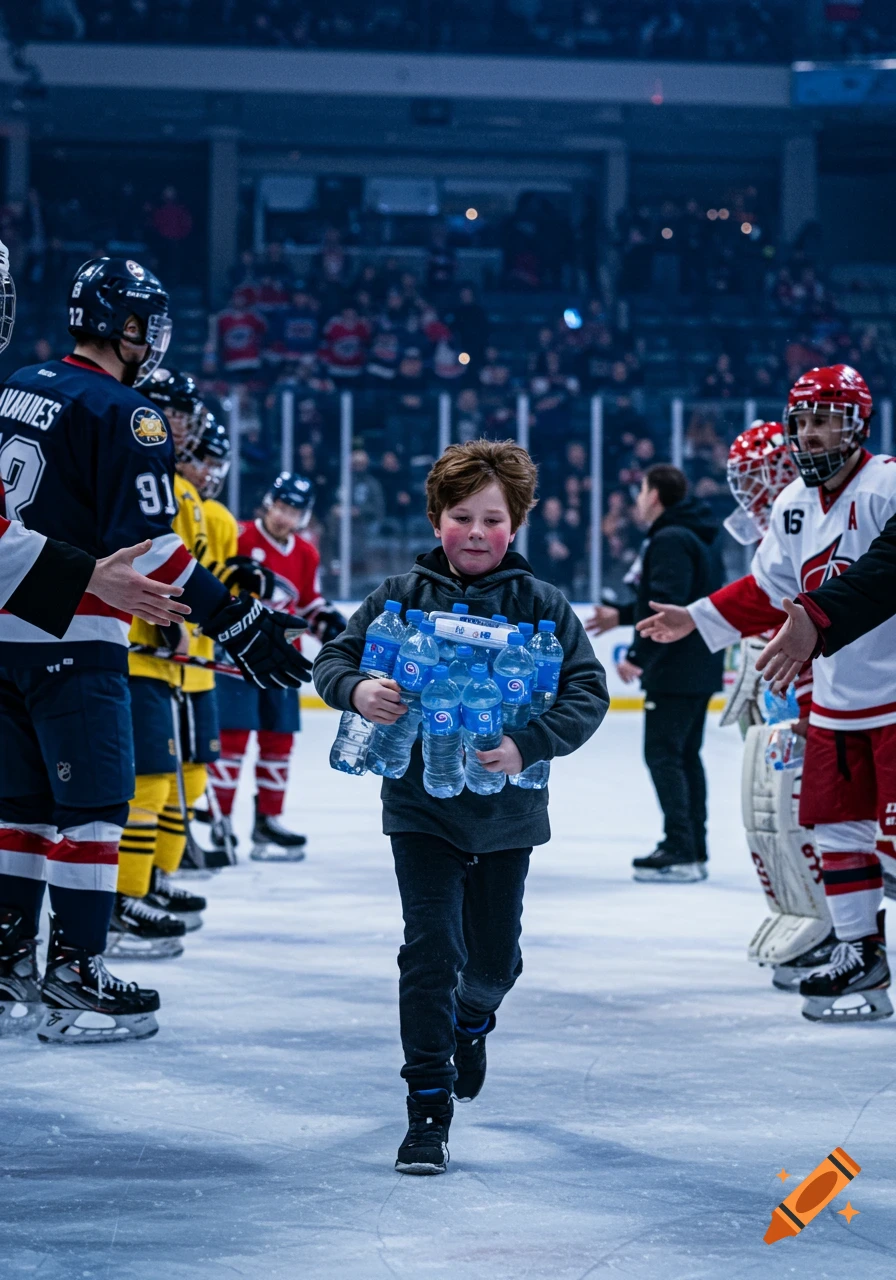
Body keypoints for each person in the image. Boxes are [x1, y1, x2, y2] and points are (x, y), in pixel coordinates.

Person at [0, 256, 312, 1045]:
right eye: (149, 322)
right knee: (97, 808)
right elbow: (151, 548)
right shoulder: (129, 412)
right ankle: (74, 970)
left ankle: (7, 962)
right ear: (128, 326)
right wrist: (232, 618)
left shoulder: (17, 385)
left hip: (6, 628)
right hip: (77, 634)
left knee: (21, 809)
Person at [313, 438, 608, 1175]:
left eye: (493, 519)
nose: (475, 533)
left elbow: (587, 692)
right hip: (421, 806)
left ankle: (472, 1021)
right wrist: (356, 691)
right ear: (435, 517)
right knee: (430, 952)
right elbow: (333, 660)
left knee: (492, 961)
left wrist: (528, 744)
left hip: (508, 815)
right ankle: (427, 1111)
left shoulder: (541, 605)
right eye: (460, 516)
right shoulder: (397, 597)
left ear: (517, 525)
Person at [636, 365, 896, 1024]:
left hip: (895, 695)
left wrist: (816, 616)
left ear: (857, 423)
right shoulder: (792, 506)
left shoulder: (888, 484)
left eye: (826, 419)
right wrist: (698, 617)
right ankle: (860, 951)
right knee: (836, 827)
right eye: (803, 421)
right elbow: (768, 589)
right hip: (838, 700)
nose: (811, 434)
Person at [587, 465, 723, 882]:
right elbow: (678, 601)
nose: (637, 499)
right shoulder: (693, 534)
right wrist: (623, 616)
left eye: (642, 490)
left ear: (656, 495)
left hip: (675, 667)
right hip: (697, 664)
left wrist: (640, 656)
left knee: (664, 754)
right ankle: (692, 847)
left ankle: (680, 847)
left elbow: (667, 607)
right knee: (683, 755)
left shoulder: (668, 539)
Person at [210, 472, 346, 860]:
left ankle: (267, 822)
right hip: (235, 657)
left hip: (283, 659)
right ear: (269, 502)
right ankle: (219, 823)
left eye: (294, 511)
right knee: (232, 741)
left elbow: (307, 603)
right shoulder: (238, 536)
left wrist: (331, 626)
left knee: (278, 742)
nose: (285, 517)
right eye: (282, 507)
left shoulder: (306, 553)